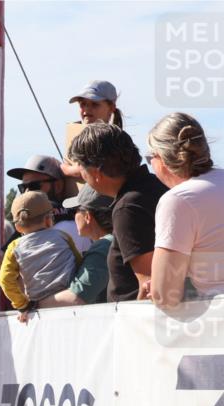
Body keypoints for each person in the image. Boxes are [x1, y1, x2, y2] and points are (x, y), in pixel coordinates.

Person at [68, 123, 168, 302]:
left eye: (81, 169)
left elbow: (150, 288)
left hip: (144, 317)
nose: (82, 177)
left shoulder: (128, 208)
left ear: (96, 172)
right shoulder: (157, 186)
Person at [0, 155, 87, 282]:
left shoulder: (65, 229)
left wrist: (8, 275)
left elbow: (45, 287)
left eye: (34, 186)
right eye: (22, 188)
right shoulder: (64, 221)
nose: (26, 193)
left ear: (58, 186)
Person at [142, 112, 224, 307]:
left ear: (161, 158)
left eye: (150, 157)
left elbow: (165, 296)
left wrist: (158, 287)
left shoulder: (178, 200)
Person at [0, 191, 81, 321]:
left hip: (39, 309)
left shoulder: (14, 247)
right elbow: (79, 262)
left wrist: (22, 305)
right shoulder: (63, 236)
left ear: (18, 227)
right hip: (70, 301)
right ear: (48, 220)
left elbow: (5, 280)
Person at [37, 185, 116, 308]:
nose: (74, 216)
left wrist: (32, 304)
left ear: (87, 216)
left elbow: (76, 298)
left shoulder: (103, 246)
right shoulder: (111, 242)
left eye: (75, 210)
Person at [61, 80, 124, 179]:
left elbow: (93, 169)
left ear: (111, 108)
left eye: (94, 104)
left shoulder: (112, 138)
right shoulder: (76, 133)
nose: (86, 109)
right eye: (82, 104)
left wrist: (66, 169)